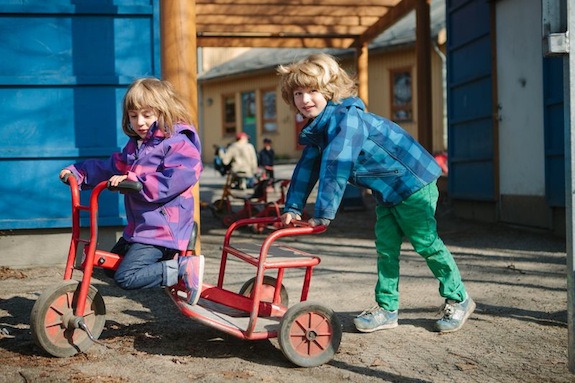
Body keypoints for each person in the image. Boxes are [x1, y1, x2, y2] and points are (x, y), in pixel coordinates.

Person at [277, 53, 475, 333]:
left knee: (425, 243)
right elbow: (307, 168)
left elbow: (337, 165)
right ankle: (387, 309)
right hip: (388, 190)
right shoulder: (319, 129)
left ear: (330, 91)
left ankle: (459, 298)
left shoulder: (348, 121)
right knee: (386, 248)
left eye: (313, 91)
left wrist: (323, 213)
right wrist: (293, 207)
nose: (305, 99)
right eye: (298, 93)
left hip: (413, 183)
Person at [59, 77, 204, 306]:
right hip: (142, 227)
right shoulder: (138, 146)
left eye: (147, 115)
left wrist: (136, 180)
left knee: (126, 277)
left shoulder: (177, 143)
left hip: (164, 229)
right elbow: (111, 167)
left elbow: (177, 177)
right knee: (108, 266)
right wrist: (79, 173)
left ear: (163, 110)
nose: (140, 122)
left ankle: (182, 268)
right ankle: (169, 266)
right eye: (134, 115)